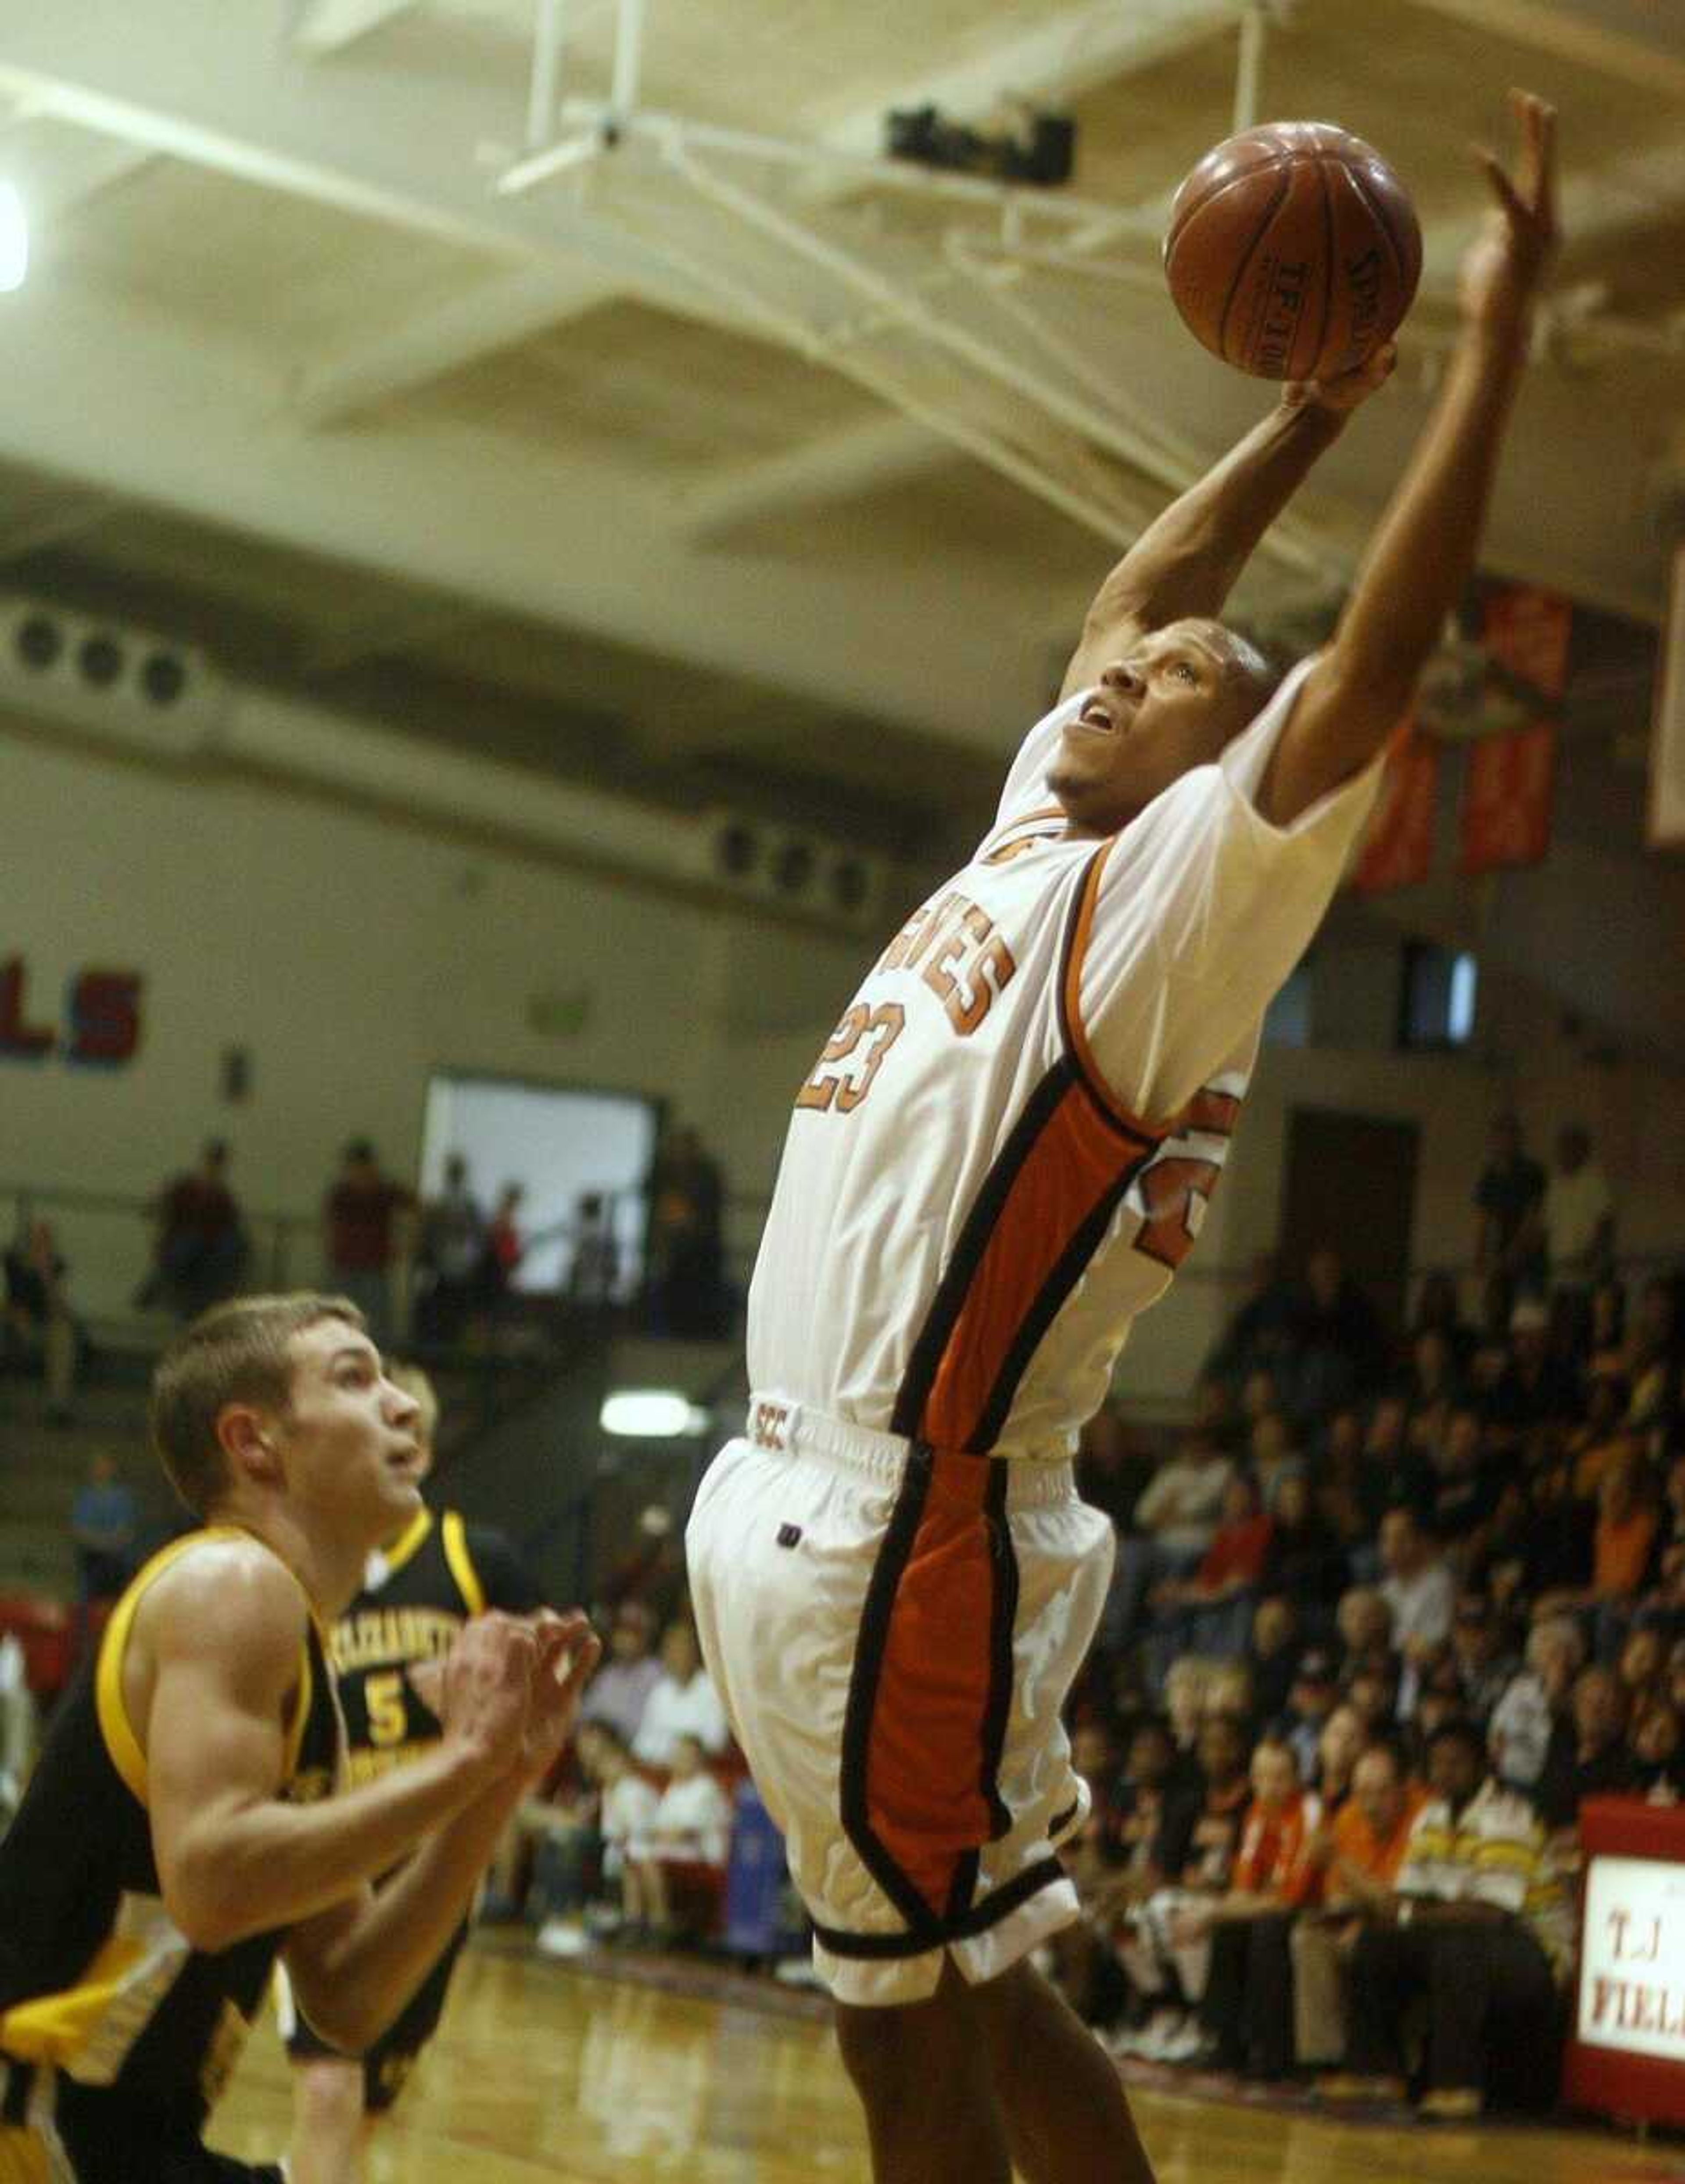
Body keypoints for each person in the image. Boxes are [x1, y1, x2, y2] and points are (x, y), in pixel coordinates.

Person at [685, 95, 1558, 2184]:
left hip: (911, 1529)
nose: (1128, 663)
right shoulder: (1039, 828)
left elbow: (1364, 672)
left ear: (1215, 765)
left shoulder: (1176, 904)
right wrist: (1304, 422)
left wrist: (1494, 345)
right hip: (803, 1505)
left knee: (979, 1985)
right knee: (907, 2016)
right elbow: (1130, 594)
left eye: (1178, 682)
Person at [0, 1293, 597, 2182]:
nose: (401, 1403)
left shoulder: (304, 1652)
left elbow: (348, 1992)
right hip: (39, 2122)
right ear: (254, 1442)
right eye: (355, 1378)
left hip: (111, 2138)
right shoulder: (233, 1584)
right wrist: (462, 1757)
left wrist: (503, 1777)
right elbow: (210, 1880)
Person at [280, 1361, 543, 2184]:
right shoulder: (308, 1572)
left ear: (422, 1451)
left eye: (405, 1432)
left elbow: (551, 1681)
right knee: (327, 2082)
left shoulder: (477, 1559)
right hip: (334, 1852)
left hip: (434, 1859)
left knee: (369, 2103)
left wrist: (494, 1700)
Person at [1326, 1717, 1573, 2119]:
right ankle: (1376, 2073)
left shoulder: (1507, 1818)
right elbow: (1409, 1895)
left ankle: (1458, 2085)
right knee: (1376, 1941)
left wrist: (1409, 1914)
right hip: (1461, 1936)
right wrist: (1393, 1915)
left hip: (1535, 1952)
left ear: (1482, 1766)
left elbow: (1490, 1913)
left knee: (1459, 1948)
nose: (1445, 1773)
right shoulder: (1433, 1817)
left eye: (1457, 1764)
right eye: (1438, 1764)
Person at [1291, 1740, 1426, 2070]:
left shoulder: (1422, 1819)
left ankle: (1377, 2065)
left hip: (1410, 1926)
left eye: (1382, 1793)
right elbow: (1338, 1897)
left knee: (1365, 1944)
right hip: (1361, 1918)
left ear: (1404, 1790)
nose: (1371, 1805)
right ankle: (1324, 2062)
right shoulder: (1349, 1816)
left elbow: (1395, 1903)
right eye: (1363, 1793)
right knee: (1307, 1937)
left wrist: (1338, 1859)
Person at [141, 1139, 248, 1319]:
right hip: (188, 1238)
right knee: (189, 1247)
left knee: (218, 1253)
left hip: (210, 1242)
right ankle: (161, 1284)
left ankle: (178, 1295)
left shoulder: (222, 1195)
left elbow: (230, 1222)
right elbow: (161, 1203)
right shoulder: (187, 1186)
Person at [321, 1141, 413, 1351]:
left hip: (374, 1265)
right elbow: (329, 1224)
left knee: (377, 1321)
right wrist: (331, 1248)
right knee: (338, 1315)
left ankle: (379, 1359)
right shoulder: (341, 1193)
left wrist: (406, 1244)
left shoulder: (385, 1191)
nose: (356, 1174)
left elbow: (415, 1209)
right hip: (344, 1263)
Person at [1473, 1114, 1547, 1336]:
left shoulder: (1531, 1172)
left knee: (1526, 1315)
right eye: (1500, 1137)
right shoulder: (1489, 1176)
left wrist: (1515, 1251)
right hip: (1501, 1251)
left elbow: (1533, 1216)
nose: (1505, 1143)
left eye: (1510, 1137)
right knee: (1496, 1309)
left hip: (1529, 1256)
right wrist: (1479, 1255)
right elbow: (1483, 1218)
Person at [3, 1217, 79, 1423]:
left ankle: (58, 1404)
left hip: (43, 1324)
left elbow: (60, 1307)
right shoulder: (12, 1264)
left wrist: (46, 1275)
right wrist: (13, 1314)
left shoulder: (57, 1267)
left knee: (62, 1336)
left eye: (45, 1240)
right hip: (14, 1323)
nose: (41, 1245)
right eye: (37, 1240)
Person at [414, 1154, 483, 1346]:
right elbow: (429, 1237)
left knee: (456, 1317)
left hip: (462, 1269)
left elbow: (478, 1239)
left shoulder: (470, 1207)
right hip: (442, 1268)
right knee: (440, 1314)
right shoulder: (440, 1205)